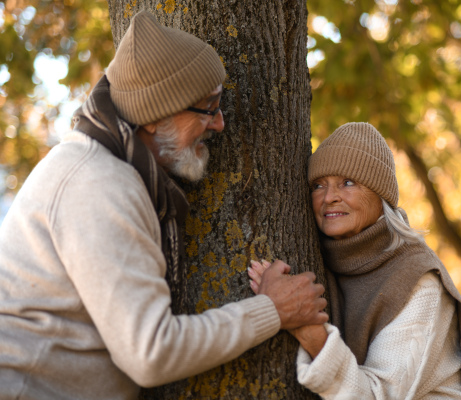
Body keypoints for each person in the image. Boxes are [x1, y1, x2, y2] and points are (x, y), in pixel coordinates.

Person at [0, 11, 327, 399]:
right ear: (154, 117)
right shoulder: (100, 185)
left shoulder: (106, 167)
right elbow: (151, 353)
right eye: (207, 107)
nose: (220, 123)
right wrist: (272, 310)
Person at [249, 122, 461, 399]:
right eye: (318, 185)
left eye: (348, 183)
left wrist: (305, 326)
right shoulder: (324, 256)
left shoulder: (417, 279)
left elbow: (378, 395)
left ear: (380, 195)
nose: (329, 198)